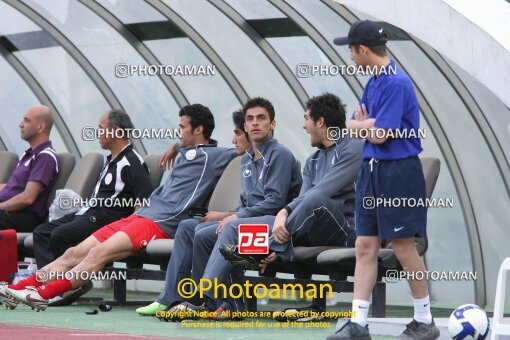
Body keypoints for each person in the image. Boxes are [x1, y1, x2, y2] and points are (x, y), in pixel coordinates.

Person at [0, 104, 242, 311]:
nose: (178, 133)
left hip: (158, 223)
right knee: (72, 253)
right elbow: (185, 148)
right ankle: (19, 288)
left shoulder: (217, 155)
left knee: (97, 254)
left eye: (181, 128)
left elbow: (244, 149)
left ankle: (45, 294)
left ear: (198, 129)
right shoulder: (185, 150)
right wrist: (176, 147)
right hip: (140, 216)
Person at [137, 97, 302, 318]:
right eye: (250, 119)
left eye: (261, 118)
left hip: (276, 228)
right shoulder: (246, 159)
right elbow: (246, 205)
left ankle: (203, 297)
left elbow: (274, 203)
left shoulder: (279, 154)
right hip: (252, 221)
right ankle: (210, 301)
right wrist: (226, 215)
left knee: (229, 229)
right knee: (194, 228)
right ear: (244, 126)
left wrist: (234, 218)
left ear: (272, 124)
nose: (255, 123)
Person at [327, 20, 439, 340]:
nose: (349, 55)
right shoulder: (375, 81)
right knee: (365, 245)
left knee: (403, 246)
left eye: (350, 48)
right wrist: (367, 127)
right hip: (372, 171)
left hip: (398, 173)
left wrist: (358, 127)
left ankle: (424, 319)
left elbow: (377, 133)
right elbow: (371, 130)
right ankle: (358, 324)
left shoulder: (395, 83)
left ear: (363, 49)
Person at [215, 93, 363, 318]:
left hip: (347, 231)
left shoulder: (352, 147)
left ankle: (265, 248)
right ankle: (219, 299)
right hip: (313, 229)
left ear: (320, 122)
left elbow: (320, 193)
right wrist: (284, 214)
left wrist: (283, 214)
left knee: (317, 199)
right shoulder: (313, 160)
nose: (303, 125)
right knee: (237, 229)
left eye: (306, 119)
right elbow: (300, 202)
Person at [30, 108, 153, 305]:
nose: (98, 133)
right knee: (41, 232)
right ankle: (52, 283)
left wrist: (129, 229)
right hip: (89, 213)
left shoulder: (132, 162)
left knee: (60, 234)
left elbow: (145, 198)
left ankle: (72, 283)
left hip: (106, 219)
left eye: (101, 128)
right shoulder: (111, 160)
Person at [0, 105, 58, 232]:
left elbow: (28, 198)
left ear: (41, 127)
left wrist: (1, 207)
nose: (21, 125)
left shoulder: (45, 156)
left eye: (26, 120)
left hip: (20, 215)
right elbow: (12, 187)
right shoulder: (28, 155)